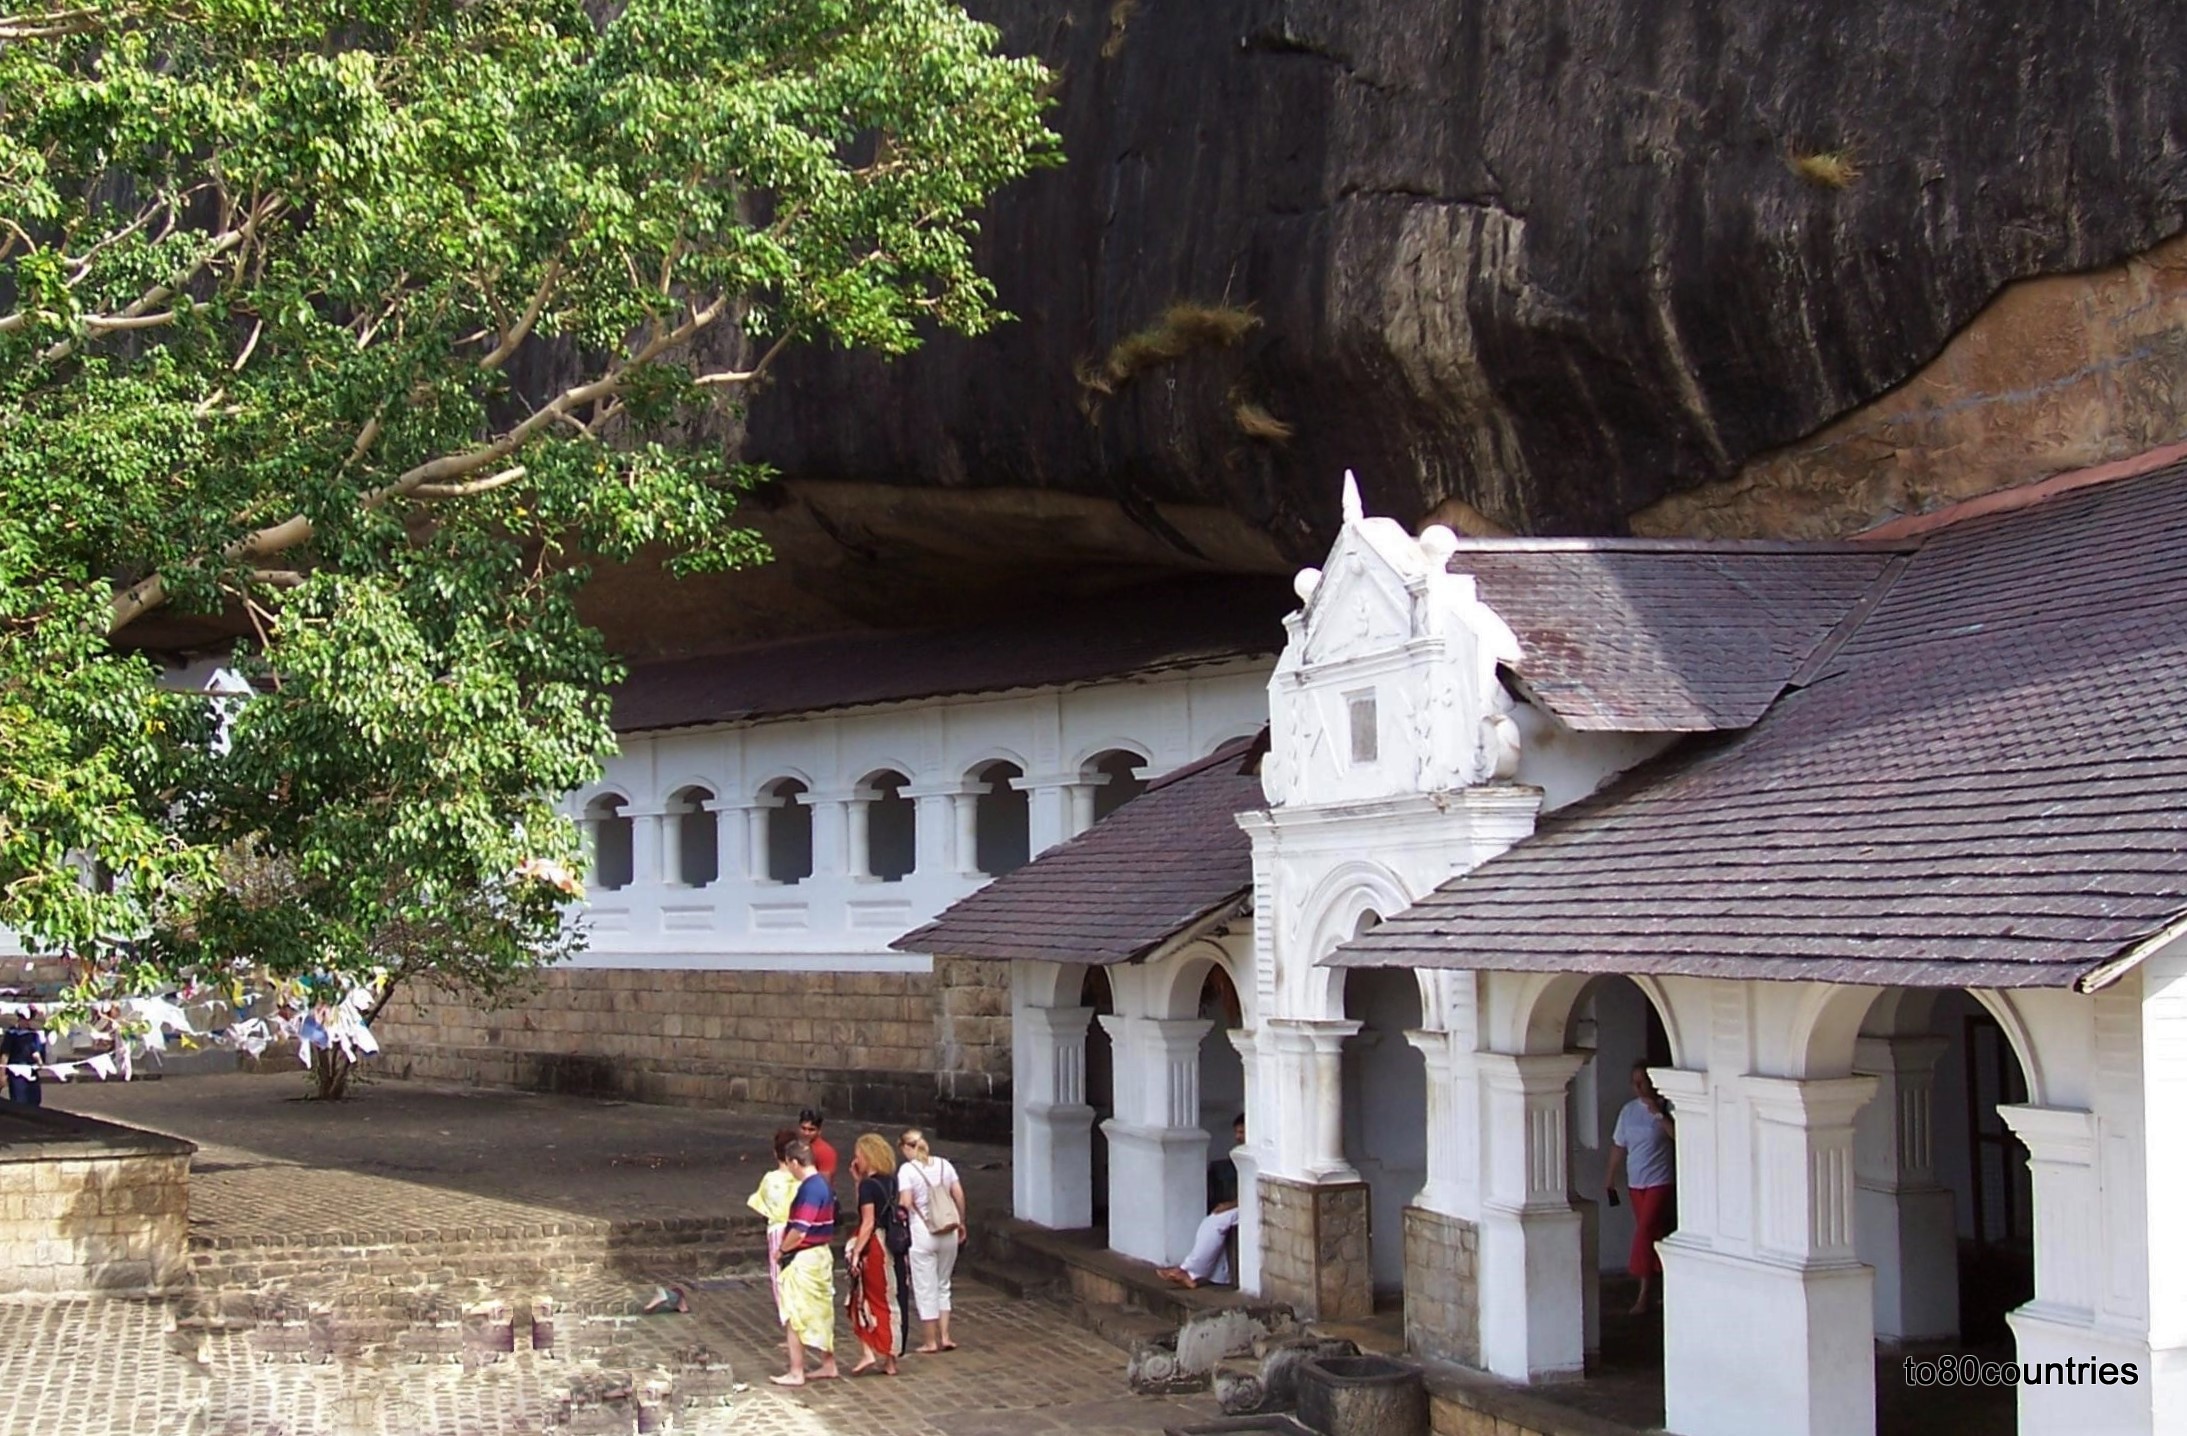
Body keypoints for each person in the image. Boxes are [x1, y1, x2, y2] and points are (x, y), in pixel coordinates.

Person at [1605, 1060, 1676, 1315]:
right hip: (1636, 1181)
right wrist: (1610, 1177)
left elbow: (1676, 1135)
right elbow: (1619, 1145)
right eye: (1634, 1083)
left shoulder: (1666, 1106)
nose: (1637, 1087)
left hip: (1660, 1180)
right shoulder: (1628, 1111)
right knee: (1652, 1235)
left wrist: (1657, 1112)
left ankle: (1640, 1289)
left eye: (1642, 1082)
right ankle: (1660, 1287)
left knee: (1644, 1232)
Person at [770, 1138, 839, 1385]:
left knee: (794, 1313)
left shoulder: (810, 1189)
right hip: (822, 1253)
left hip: (806, 1256)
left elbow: (800, 1230)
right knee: (822, 1310)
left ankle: (796, 1370)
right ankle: (828, 1364)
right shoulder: (824, 1184)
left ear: (794, 1162)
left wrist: (781, 1250)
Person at [896, 1127, 966, 1353]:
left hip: (923, 1233)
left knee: (925, 1288)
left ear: (906, 1147)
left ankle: (930, 1341)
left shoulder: (907, 1170)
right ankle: (945, 1336)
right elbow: (959, 1195)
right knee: (943, 1284)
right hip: (949, 1230)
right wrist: (961, 1222)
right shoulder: (945, 1165)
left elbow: (906, 1202)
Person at [1158, 1114, 1245, 1289]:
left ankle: (1188, 1271)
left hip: (1258, 1206)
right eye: (1236, 1132)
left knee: (1217, 1222)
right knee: (1211, 1222)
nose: (1238, 1137)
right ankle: (1211, 1276)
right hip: (1243, 1203)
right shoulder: (1241, 1154)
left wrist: (1232, 1205)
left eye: (1242, 1132)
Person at [843, 1132, 905, 1376]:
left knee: (863, 1297)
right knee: (888, 1299)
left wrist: (856, 1252)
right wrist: (857, 1180)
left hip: (873, 1245)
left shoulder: (869, 1186)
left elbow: (867, 1220)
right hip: (888, 1241)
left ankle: (869, 1350)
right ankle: (890, 1358)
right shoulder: (890, 1181)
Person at [746, 1128, 801, 1327]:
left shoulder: (770, 1179)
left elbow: (761, 1205)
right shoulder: (802, 1180)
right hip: (799, 1230)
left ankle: (790, 1325)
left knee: (779, 1277)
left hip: (778, 1229)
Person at [2, 1008, 46, 1106]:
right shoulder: (12, 1034)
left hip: (31, 1071)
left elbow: (35, 1051)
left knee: (34, 1099)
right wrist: (2, 1074)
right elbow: (5, 1054)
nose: (27, 1023)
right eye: (24, 1020)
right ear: (20, 1020)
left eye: (29, 1020)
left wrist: (39, 1062)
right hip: (16, 1072)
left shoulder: (34, 1034)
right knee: (19, 1100)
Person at [799, 1107, 839, 1182]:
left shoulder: (825, 1152)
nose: (806, 1133)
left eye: (811, 1130)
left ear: (819, 1130)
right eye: (803, 1128)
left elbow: (823, 1183)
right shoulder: (794, 1146)